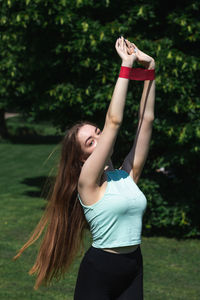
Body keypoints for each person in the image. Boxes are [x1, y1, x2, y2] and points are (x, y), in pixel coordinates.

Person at [13, 37, 155, 299]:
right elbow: (114, 121)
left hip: (134, 267)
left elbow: (146, 120)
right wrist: (126, 65)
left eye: (97, 132)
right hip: (100, 273)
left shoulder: (126, 176)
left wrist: (149, 70)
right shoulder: (87, 182)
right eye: (91, 142)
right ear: (82, 159)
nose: (100, 139)